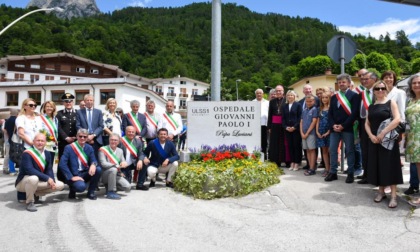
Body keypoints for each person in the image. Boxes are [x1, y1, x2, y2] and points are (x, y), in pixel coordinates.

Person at [365, 81, 402, 208]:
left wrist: (382, 133)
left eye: (382, 88)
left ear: (386, 89)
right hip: (375, 140)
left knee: (390, 166)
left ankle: (393, 196)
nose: (380, 90)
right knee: (378, 165)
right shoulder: (371, 106)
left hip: (388, 140)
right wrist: (371, 136)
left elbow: (397, 119)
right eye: (377, 88)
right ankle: (381, 192)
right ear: (374, 91)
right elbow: (367, 123)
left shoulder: (391, 102)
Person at [325, 74, 360, 183]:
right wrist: (333, 125)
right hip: (334, 129)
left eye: (343, 82)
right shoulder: (334, 97)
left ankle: (350, 173)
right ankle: (333, 172)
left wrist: (343, 125)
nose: (341, 84)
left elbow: (354, 113)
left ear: (349, 83)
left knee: (350, 151)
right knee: (333, 150)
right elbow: (330, 113)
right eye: (339, 82)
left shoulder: (354, 96)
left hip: (348, 128)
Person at [15, 133, 64, 212]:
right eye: (38, 140)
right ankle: (30, 202)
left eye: (42, 141)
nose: (40, 142)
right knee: (34, 178)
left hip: (37, 181)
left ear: (45, 143)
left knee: (60, 185)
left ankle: (34, 194)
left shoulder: (47, 153)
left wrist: (52, 180)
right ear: (33, 141)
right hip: (24, 182)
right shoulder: (27, 153)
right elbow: (29, 170)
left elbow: (49, 169)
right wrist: (47, 178)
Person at [58, 128, 102, 200]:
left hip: (85, 173)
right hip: (74, 174)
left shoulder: (89, 148)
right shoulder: (69, 148)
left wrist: (93, 164)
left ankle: (91, 192)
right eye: (80, 136)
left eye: (84, 136)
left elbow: (94, 159)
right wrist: (71, 177)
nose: (82, 138)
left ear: (87, 137)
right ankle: (72, 189)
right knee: (81, 187)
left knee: (98, 169)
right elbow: (62, 164)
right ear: (77, 136)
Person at [357, 72, 377, 184]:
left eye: (366, 79)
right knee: (365, 150)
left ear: (374, 79)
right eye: (362, 79)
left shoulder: (379, 90)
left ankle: (374, 175)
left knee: (374, 151)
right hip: (363, 123)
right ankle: (366, 174)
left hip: (376, 124)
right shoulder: (362, 93)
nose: (363, 81)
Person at [98, 133, 131, 199]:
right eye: (112, 140)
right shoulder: (103, 149)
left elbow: (123, 161)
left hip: (116, 174)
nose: (113, 141)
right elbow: (103, 164)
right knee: (113, 169)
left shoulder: (120, 150)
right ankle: (111, 192)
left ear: (118, 142)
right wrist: (116, 165)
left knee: (127, 187)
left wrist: (124, 163)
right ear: (109, 140)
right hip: (105, 175)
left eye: (115, 140)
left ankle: (109, 186)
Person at [405, 74, 420, 207]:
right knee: (418, 166)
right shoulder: (410, 100)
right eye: (414, 83)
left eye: (419, 83)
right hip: (412, 137)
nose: (416, 85)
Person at [119, 126, 148, 190]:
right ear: (126, 132)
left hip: (133, 163)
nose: (131, 133)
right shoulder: (120, 141)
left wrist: (140, 160)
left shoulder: (138, 141)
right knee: (126, 185)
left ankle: (140, 184)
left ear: (135, 133)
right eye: (129, 132)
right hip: (123, 164)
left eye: (133, 132)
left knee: (144, 163)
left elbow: (140, 153)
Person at [282, 90, 302, 171]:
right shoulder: (284, 106)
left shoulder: (298, 105)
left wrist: (294, 127)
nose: (290, 96)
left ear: (294, 96)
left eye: (291, 95)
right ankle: (292, 162)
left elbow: (300, 117)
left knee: (296, 146)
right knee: (290, 146)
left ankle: (297, 163)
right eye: (288, 95)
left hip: (296, 129)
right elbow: (283, 118)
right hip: (287, 129)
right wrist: (286, 127)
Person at [267, 85, 286, 167]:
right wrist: (269, 127)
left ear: (283, 91)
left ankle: (285, 160)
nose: (278, 92)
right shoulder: (272, 101)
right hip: (274, 125)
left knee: (283, 142)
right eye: (277, 91)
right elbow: (270, 114)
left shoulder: (286, 100)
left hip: (284, 124)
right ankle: (275, 160)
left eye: (280, 90)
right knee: (274, 143)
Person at [300, 95, 318, 176]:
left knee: (312, 150)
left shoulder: (315, 110)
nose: (309, 103)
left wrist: (307, 133)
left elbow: (314, 122)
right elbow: (301, 122)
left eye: (311, 101)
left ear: (314, 101)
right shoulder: (304, 110)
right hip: (303, 134)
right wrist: (302, 133)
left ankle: (312, 168)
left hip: (311, 134)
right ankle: (309, 166)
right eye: (307, 101)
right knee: (307, 150)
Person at [56, 93, 77, 159]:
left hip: (75, 141)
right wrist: (66, 137)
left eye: (70, 101)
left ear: (73, 102)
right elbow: (58, 127)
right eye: (66, 101)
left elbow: (80, 125)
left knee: (74, 160)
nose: (68, 103)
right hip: (63, 141)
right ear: (63, 103)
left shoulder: (78, 113)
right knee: (62, 159)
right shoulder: (59, 113)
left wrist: (75, 137)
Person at [316, 91, 331, 177]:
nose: (324, 99)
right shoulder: (319, 109)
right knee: (324, 151)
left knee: (330, 151)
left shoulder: (331, 108)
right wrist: (317, 131)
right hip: (321, 132)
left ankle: (332, 169)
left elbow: (332, 121)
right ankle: (327, 168)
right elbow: (318, 121)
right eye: (323, 98)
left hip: (328, 131)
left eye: (326, 97)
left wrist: (328, 131)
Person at [39, 101, 59, 166]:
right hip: (45, 143)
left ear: (53, 108)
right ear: (44, 108)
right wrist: (52, 138)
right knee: (44, 162)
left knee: (51, 162)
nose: (49, 108)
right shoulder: (41, 118)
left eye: (51, 107)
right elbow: (41, 131)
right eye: (47, 106)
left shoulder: (55, 119)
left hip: (53, 144)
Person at [253, 88, 270, 159]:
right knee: (256, 140)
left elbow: (269, 113)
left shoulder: (267, 102)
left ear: (263, 94)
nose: (259, 94)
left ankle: (264, 156)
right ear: (255, 94)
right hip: (255, 125)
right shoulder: (252, 102)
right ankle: (256, 155)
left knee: (264, 141)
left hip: (264, 124)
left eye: (260, 93)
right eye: (257, 93)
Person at [3, 109, 18, 175]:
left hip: (8, 139)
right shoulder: (16, 120)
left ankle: (5, 168)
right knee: (13, 154)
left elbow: (5, 130)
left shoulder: (7, 120)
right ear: (17, 113)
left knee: (8, 154)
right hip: (15, 140)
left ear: (10, 113)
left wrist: (8, 137)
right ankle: (12, 169)